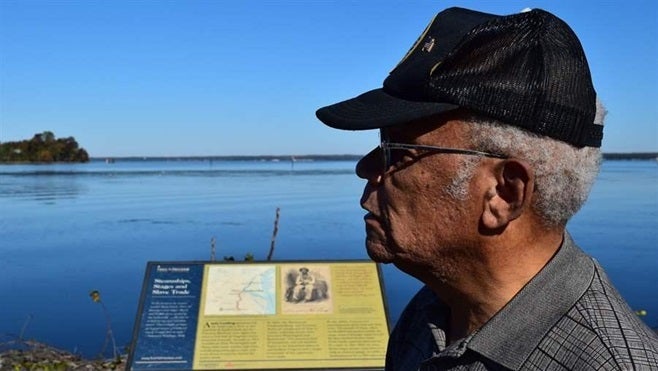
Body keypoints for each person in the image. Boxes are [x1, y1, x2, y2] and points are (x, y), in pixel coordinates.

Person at [316, 6, 658, 370]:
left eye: (395, 151)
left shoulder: (609, 364)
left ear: (503, 193)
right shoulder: (433, 312)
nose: (364, 167)